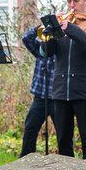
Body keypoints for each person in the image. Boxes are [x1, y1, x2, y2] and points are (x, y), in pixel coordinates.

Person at [42, 0, 86, 161]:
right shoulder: (62, 23)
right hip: (61, 91)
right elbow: (43, 53)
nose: (71, 5)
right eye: (69, 0)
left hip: (84, 91)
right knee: (63, 142)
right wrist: (51, 34)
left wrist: (70, 29)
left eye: (76, 0)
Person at [20, 25, 57, 157]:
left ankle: (66, 163)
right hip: (40, 97)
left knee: (63, 133)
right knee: (30, 128)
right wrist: (39, 28)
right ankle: (25, 161)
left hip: (57, 98)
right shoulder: (40, 49)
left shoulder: (60, 50)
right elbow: (26, 38)